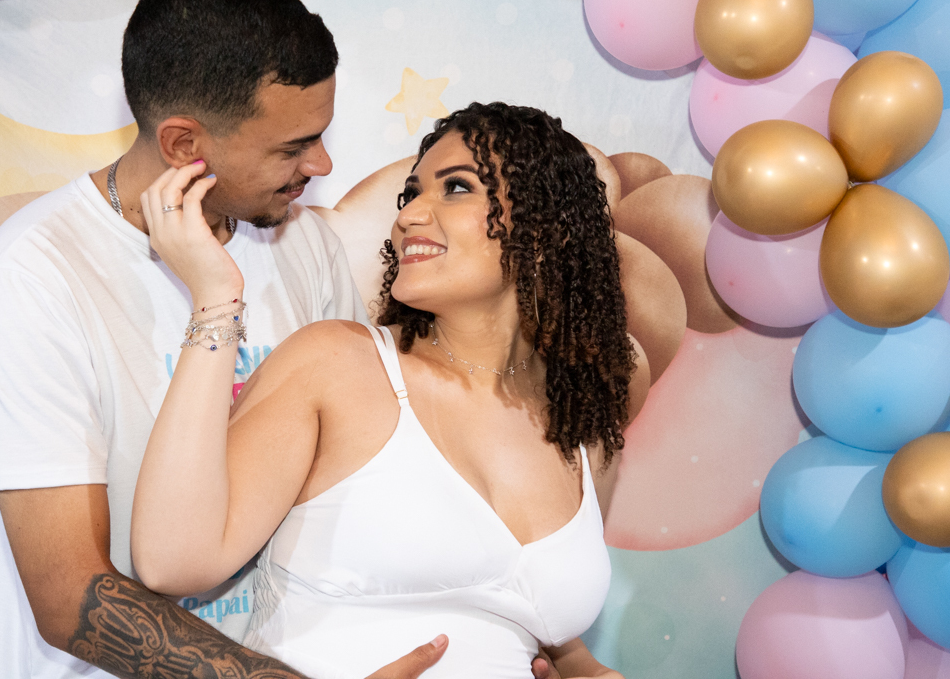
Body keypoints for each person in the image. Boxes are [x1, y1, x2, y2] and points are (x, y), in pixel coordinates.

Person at [0, 0, 451, 679]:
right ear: (185, 146)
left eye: (320, 135)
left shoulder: (305, 245)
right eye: (292, 147)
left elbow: (356, 488)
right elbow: (70, 598)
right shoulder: (32, 276)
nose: (320, 164)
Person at [132, 102, 633, 678]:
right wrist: (216, 298)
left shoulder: (583, 427)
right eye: (411, 194)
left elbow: (524, 613)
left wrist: (589, 670)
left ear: (546, 228)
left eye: (457, 188)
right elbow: (172, 562)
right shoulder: (338, 364)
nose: (410, 215)